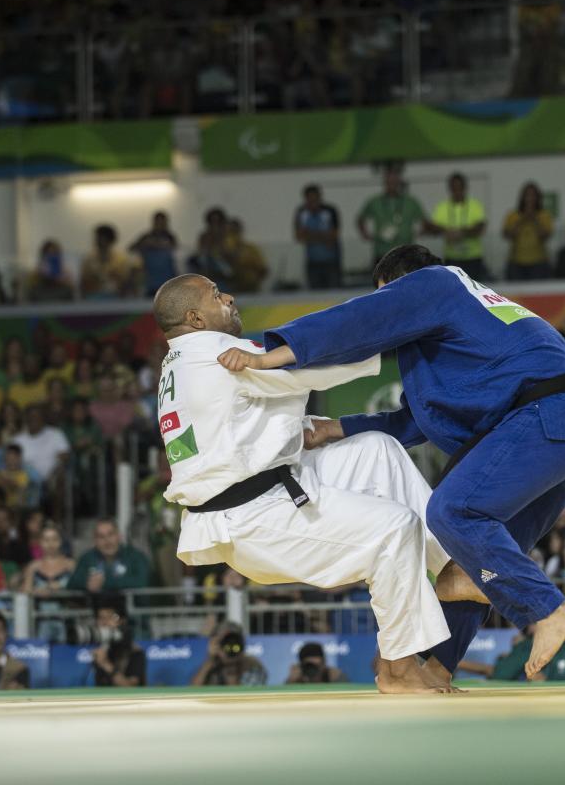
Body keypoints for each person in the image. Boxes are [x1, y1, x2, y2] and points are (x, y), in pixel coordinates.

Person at [239, 244, 565, 685]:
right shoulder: (475, 308)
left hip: (542, 420)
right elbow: (418, 418)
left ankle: (549, 610)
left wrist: (271, 354)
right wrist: (336, 428)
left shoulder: (434, 282)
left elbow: (356, 321)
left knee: (451, 512)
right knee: (470, 562)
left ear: (396, 288)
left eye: (389, 300)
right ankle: (438, 669)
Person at [152, 273, 454, 694]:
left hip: (268, 486)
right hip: (254, 515)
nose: (231, 297)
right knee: (395, 528)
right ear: (195, 318)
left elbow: (234, 430)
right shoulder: (215, 354)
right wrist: (394, 336)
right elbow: (309, 368)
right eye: (218, 296)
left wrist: (301, 428)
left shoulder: (180, 363)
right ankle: (397, 669)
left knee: (375, 451)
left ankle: (451, 568)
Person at [357, 165, 427, 263]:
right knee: (381, 278)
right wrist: (366, 234)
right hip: (382, 253)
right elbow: (360, 218)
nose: (392, 184)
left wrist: (419, 232)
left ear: (399, 183)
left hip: (405, 253)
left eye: (394, 182)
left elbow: (424, 220)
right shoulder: (375, 201)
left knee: (406, 278)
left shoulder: (410, 201)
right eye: (389, 182)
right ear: (385, 183)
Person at [490, 623, 565, 682]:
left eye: (533, 624)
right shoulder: (527, 645)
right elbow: (500, 674)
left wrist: (549, 681)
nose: (529, 630)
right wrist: (525, 647)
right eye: (526, 628)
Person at [428, 172, 488, 280]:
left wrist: (462, 233)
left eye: (459, 187)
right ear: (450, 189)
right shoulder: (442, 207)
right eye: (454, 188)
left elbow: (480, 227)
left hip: (473, 258)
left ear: (465, 188)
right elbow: (432, 227)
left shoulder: (475, 205)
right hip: (452, 258)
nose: (457, 191)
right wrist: (446, 231)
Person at [66, 519, 151, 595]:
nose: (107, 541)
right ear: (95, 540)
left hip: (129, 610)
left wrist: (105, 582)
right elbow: (72, 583)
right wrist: (86, 583)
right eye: (101, 537)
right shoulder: (87, 558)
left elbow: (141, 582)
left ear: (119, 536)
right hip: (97, 610)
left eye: (110, 535)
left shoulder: (135, 556)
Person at [293, 184, 342, 289]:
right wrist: (323, 236)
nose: (313, 202)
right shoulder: (301, 213)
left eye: (315, 199)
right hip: (312, 262)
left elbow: (334, 236)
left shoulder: (330, 211)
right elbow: (299, 237)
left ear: (320, 197)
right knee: (315, 293)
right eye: (310, 199)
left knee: (335, 292)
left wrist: (310, 234)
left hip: (331, 261)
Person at [502, 182, 553, 280]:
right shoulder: (513, 215)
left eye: (533, 195)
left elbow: (545, 236)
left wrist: (534, 220)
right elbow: (507, 235)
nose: (530, 199)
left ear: (538, 198)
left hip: (539, 262)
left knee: (538, 293)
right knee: (516, 293)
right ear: (522, 197)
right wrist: (522, 220)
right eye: (527, 195)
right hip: (516, 263)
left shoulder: (544, 215)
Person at [91, 597, 146, 687]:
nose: (104, 623)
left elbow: (131, 688)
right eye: (101, 618)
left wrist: (105, 664)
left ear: (121, 621)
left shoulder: (135, 652)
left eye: (109, 618)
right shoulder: (101, 650)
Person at [192, 621, 266, 686]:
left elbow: (244, 698)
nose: (231, 645)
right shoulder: (210, 668)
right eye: (226, 641)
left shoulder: (253, 666)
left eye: (235, 640)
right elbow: (193, 693)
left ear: (241, 642)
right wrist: (210, 660)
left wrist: (234, 668)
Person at [80, 224, 143, 298]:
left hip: (116, 297)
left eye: (102, 239)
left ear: (110, 241)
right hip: (93, 297)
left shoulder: (121, 259)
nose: (98, 242)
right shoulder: (88, 259)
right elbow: (83, 282)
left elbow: (124, 281)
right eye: (97, 239)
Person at [130, 211, 179, 296]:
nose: (159, 224)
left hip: (167, 278)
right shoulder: (146, 237)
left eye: (162, 222)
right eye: (158, 222)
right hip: (149, 278)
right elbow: (131, 248)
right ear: (154, 222)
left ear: (166, 223)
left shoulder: (170, 237)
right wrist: (146, 244)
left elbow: (177, 251)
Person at [224, 218, 269, 294]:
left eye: (235, 232)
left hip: (250, 287)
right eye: (230, 232)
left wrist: (255, 281)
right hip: (229, 288)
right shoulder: (221, 250)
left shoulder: (250, 249)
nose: (233, 236)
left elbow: (263, 269)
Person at [285, 641, 349, 684]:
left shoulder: (333, 676)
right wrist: (291, 681)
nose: (312, 670)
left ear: (324, 663)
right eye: (309, 665)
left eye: (316, 665)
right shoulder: (297, 678)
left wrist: (339, 681)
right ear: (301, 665)